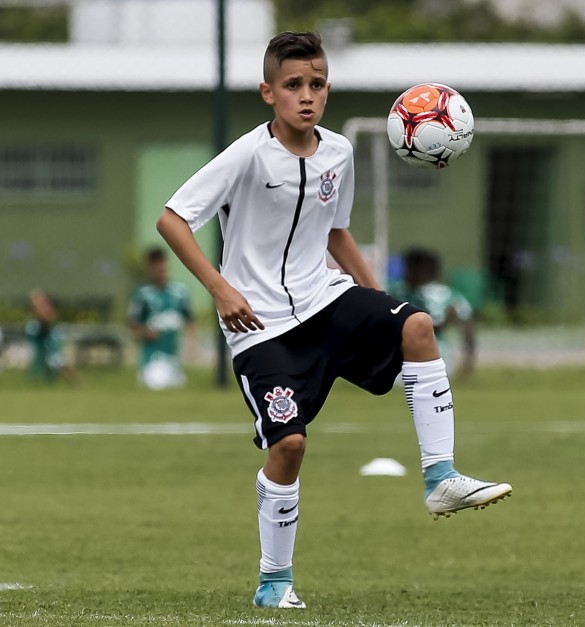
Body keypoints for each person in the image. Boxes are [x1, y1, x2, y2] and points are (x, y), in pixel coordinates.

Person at [155, 31, 511, 609]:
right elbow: (172, 219)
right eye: (293, 85)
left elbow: (335, 231)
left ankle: (440, 478)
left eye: (317, 84)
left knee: (417, 325)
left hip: (326, 300)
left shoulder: (339, 152)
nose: (307, 96)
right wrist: (220, 289)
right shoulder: (246, 154)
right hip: (260, 326)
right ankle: (274, 585)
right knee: (289, 446)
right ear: (268, 92)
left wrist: (376, 300)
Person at [388, 248, 477, 377]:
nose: (406, 272)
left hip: (422, 354)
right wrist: (469, 362)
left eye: (409, 268)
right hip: (431, 355)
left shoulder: (396, 292)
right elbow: (467, 326)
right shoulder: (450, 294)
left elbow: (467, 328)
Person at [127, 247, 195, 390]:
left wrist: (192, 345)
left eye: (162, 263)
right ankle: (145, 374)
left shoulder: (179, 292)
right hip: (154, 359)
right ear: (149, 268)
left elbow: (190, 320)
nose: (160, 268)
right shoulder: (142, 295)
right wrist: (146, 332)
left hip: (174, 359)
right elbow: (132, 325)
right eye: (155, 264)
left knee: (178, 388)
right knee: (158, 384)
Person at [25, 289, 78, 385]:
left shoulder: (48, 315)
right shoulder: (34, 323)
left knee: (57, 363)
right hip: (42, 345)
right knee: (51, 363)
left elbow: (48, 320)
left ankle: (75, 384)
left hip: (50, 345)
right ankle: (72, 384)